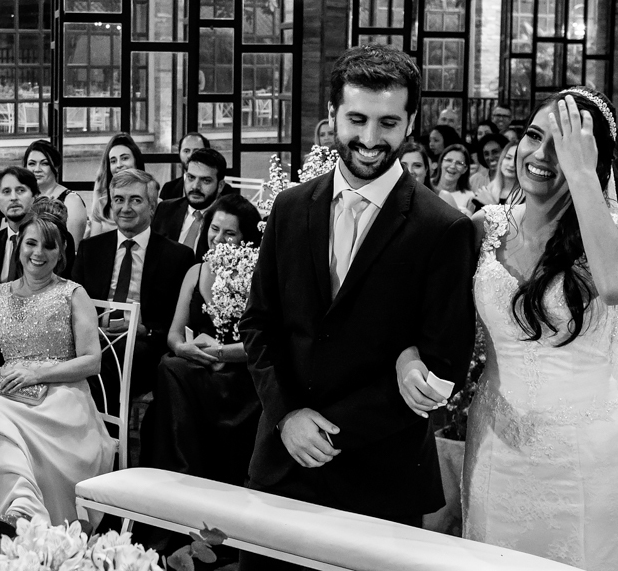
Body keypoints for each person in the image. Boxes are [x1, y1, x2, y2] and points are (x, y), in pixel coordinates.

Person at [239, 45, 475, 571]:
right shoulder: (290, 206)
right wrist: (286, 416)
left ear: (410, 121)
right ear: (332, 115)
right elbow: (258, 323)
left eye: (388, 122)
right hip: (282, 463)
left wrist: (328, 432)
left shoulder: (443, 229)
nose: (370, 139)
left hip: (379, 476)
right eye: (357, 119)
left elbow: (444, 363)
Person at [446, 89, 618, 571]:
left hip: (588, 454)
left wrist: (581, 175)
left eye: (564, 147)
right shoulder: (485, 226)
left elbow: (616, 286)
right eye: (534, 136)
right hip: (497, 442)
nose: (540, 155)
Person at [0, 212, 116, 547]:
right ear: (19, 246)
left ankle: (24, 511)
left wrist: (37, 372)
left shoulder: (73, 294)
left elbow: (92, 361)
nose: (38, 252)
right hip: (10, 399)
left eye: (49, 246)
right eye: (31, 243)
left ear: (61, 253)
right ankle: (21, 512)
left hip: (62, 402)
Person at [144, 194, 263, 488]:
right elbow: (174, 333)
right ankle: (175, 477)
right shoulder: (195, 271)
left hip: (239, 375)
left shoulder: (257, 276)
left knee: (175, 371)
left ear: (245, 238)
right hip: (197, 365)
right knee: (170, 366)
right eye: (214, 229)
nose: (218, 238)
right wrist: (182, 347)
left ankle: (191, 475)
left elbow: (260, 345)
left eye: (229, 233)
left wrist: (220, 353)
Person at [72, 169, 196, 400]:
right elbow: (73, 303)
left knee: (118, 355)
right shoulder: (90, 249)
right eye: (119, 200)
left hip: (144, 346)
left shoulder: (178, 257)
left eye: (135, 200)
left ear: (152, 206)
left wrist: (145, 330)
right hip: (93, 339)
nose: (125, 208)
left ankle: (94, 417)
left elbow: (179, 321)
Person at [153, 147, 228, 259]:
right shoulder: (165, 209)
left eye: (206, 181)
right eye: (191, 177)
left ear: (220, 186)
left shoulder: (229, 218)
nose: (195, 187)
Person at [23, 139, 88, 250]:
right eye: (32, 164)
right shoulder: (22, 198)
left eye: (44, 163)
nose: (37, 169)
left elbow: (73, 250)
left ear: (56, 166)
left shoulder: (72, 201)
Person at [0, 166, 41, 282]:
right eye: (6, 192)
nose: (13, 198)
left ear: (34, 198)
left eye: (20, 190)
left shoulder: (52, 240)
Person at [87, 133, 145, 238]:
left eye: (125, 158)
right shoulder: (101, 205)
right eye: (113, 161)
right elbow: (94, 245)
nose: (119, 165)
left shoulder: (156, 204)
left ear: (136, 161)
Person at [160, 132, 211, 200]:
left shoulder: (222, 190)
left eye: (196, 151)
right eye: (186, 151)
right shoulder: (168, 189)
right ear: (179, 154)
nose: (190, 155)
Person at [474, 141, 524, 208]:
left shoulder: (527, 196)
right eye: (508, 158)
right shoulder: (488, 190)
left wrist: (492, 205)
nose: (512, 164)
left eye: (517, 161)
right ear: (501, 160)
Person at [435, 143, 476, 213]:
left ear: (465, 169)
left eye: (459, 163)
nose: (453, 166)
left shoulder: (469, 197)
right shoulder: (426, 186)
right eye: (449, 160)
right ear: (441, 162)